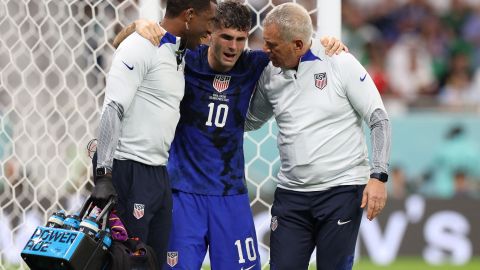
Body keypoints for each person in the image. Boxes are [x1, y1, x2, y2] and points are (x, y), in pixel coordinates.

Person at [112, 1, 347, 269]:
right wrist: (136, 27)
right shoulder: (184, 57)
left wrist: (327, 45)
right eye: (226, 37)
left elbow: (297, 51)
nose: (234, 47)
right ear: (209, 33)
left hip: (231, 194)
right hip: (183, 193)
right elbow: (120, 47)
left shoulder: (253, 64)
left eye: (240, 39)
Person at [244, 3, 391, 270]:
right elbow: (250, 121)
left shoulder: (339, 62)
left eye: (273, 45)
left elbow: (378, 119)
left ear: (298, 44)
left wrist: (378, 176)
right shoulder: (270, 75)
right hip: (291, 196)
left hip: (341, 192)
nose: (266, 50)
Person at [90, 0, 217, 267]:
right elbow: (112, 108)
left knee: (151, 261)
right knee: (123, 261)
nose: (211, 31)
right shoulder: (141, 44)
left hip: (158, 172)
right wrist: (104, 174)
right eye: (209, 21)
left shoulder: (176, 52)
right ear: (189, 15)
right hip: (127, 168)